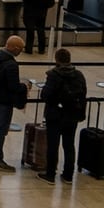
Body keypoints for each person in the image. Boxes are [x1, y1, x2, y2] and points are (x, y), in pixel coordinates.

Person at [38, 49, 88, 184]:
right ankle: (68, 175)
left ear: (56, 59)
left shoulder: (53, 75)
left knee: (53, 145)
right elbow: (83, 95)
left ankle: (50, 174)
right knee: (69, 144)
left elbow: (46, 95)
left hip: (55, 115)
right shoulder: (79, 75)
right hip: (72, 115)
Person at [0, 35, 29, 172]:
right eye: (20, 49)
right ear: (14, 48)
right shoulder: (11, 64)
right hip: (4, 100)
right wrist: (25, 86)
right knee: (0, 129)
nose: (21, 52)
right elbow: (13, 87)